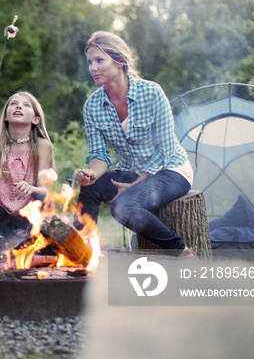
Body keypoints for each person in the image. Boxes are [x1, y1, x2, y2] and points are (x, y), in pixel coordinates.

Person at [75, 31, 196, 258]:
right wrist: (91, 173)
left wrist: (138, 183)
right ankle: (81, 251)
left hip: (171, 170)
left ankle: (182, 252)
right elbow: (99, 154)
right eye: (90, 62)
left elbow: (167, 148)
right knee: (90, 188)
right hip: (132, 172)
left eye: (100, 60)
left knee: (122, 207)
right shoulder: (92, 106)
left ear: (120, 61)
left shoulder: (151, 92)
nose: (92, 67)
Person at [0, 91, 55, 260]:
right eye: (13, 104)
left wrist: (31, 188)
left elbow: (44, 190)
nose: (19, 106)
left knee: (43, 198)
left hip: (30, 218)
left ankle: (38, 252)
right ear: (6, 116)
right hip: (3, 218)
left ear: (36, 119)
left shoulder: (42, 146)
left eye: (26, 105)